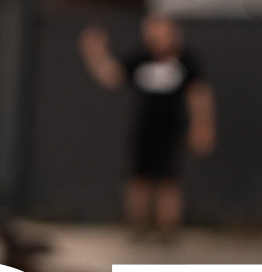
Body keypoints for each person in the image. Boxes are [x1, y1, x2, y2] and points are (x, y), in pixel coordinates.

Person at [79, 13, 215, 238]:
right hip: (144, 129)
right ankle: (138, 228)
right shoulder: (140, 58)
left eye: (159, 28)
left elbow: (199, 94)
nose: (153, 33)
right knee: (138, 179)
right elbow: (112, 76)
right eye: (150, 28)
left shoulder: (186, 60)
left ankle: (167, 231)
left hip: (171, 130)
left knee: (169, 180)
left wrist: (203, 126)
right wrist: (95, 54)